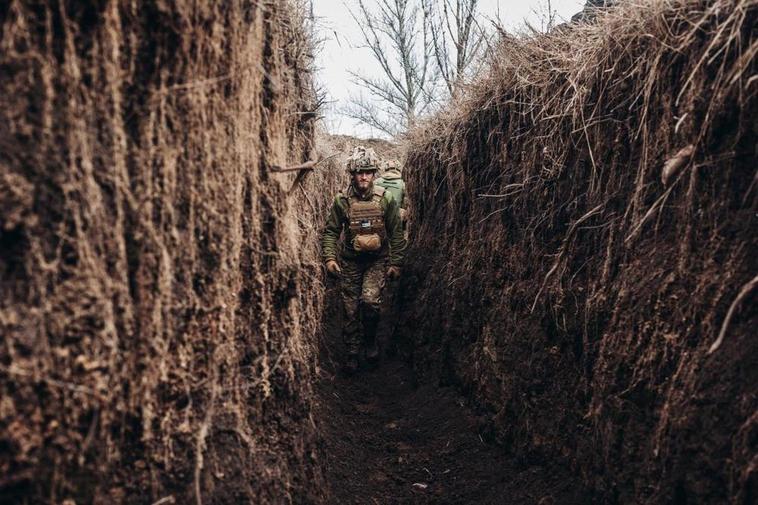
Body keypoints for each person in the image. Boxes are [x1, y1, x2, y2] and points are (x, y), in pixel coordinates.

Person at [321, 147, 406, 375]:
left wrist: (395, 263)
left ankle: (370, 342)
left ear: (374, 173)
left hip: (377, 261)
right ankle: (351, 352)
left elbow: (396, 232)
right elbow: (330, 232)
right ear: (352, 174)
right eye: (360, 172)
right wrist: (330, 259)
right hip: (350, 262)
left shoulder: (385, 199)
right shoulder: (342, 201)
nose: (364, 177)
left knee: (369, 303)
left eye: (368, 172)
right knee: (349, 309)